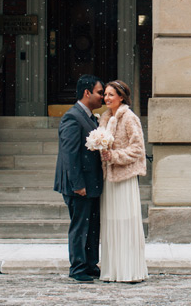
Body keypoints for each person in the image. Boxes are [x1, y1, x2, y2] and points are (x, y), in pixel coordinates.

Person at [53, 74, 105, 283]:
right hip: (79, 185)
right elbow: (69, 154)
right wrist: (78, 185)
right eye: (100, 92)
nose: (102, 97)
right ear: (87, 93)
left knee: (92, 226)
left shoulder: (91, 117)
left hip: (91, 184)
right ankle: (77, 267)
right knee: (80, 226)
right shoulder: (72, 117)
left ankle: (91, 265)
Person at [97, 79, 148, 283]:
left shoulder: (129, 118)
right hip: (109, 179)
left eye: (111, 94)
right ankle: (113, 269)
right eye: (105, 94)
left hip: (124, 177)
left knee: (125, 222)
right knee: (111, 222)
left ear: (121, 97)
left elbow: (137, 149)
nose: (106, 98)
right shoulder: (104, 118)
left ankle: (129, 270)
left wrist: (115, 156)